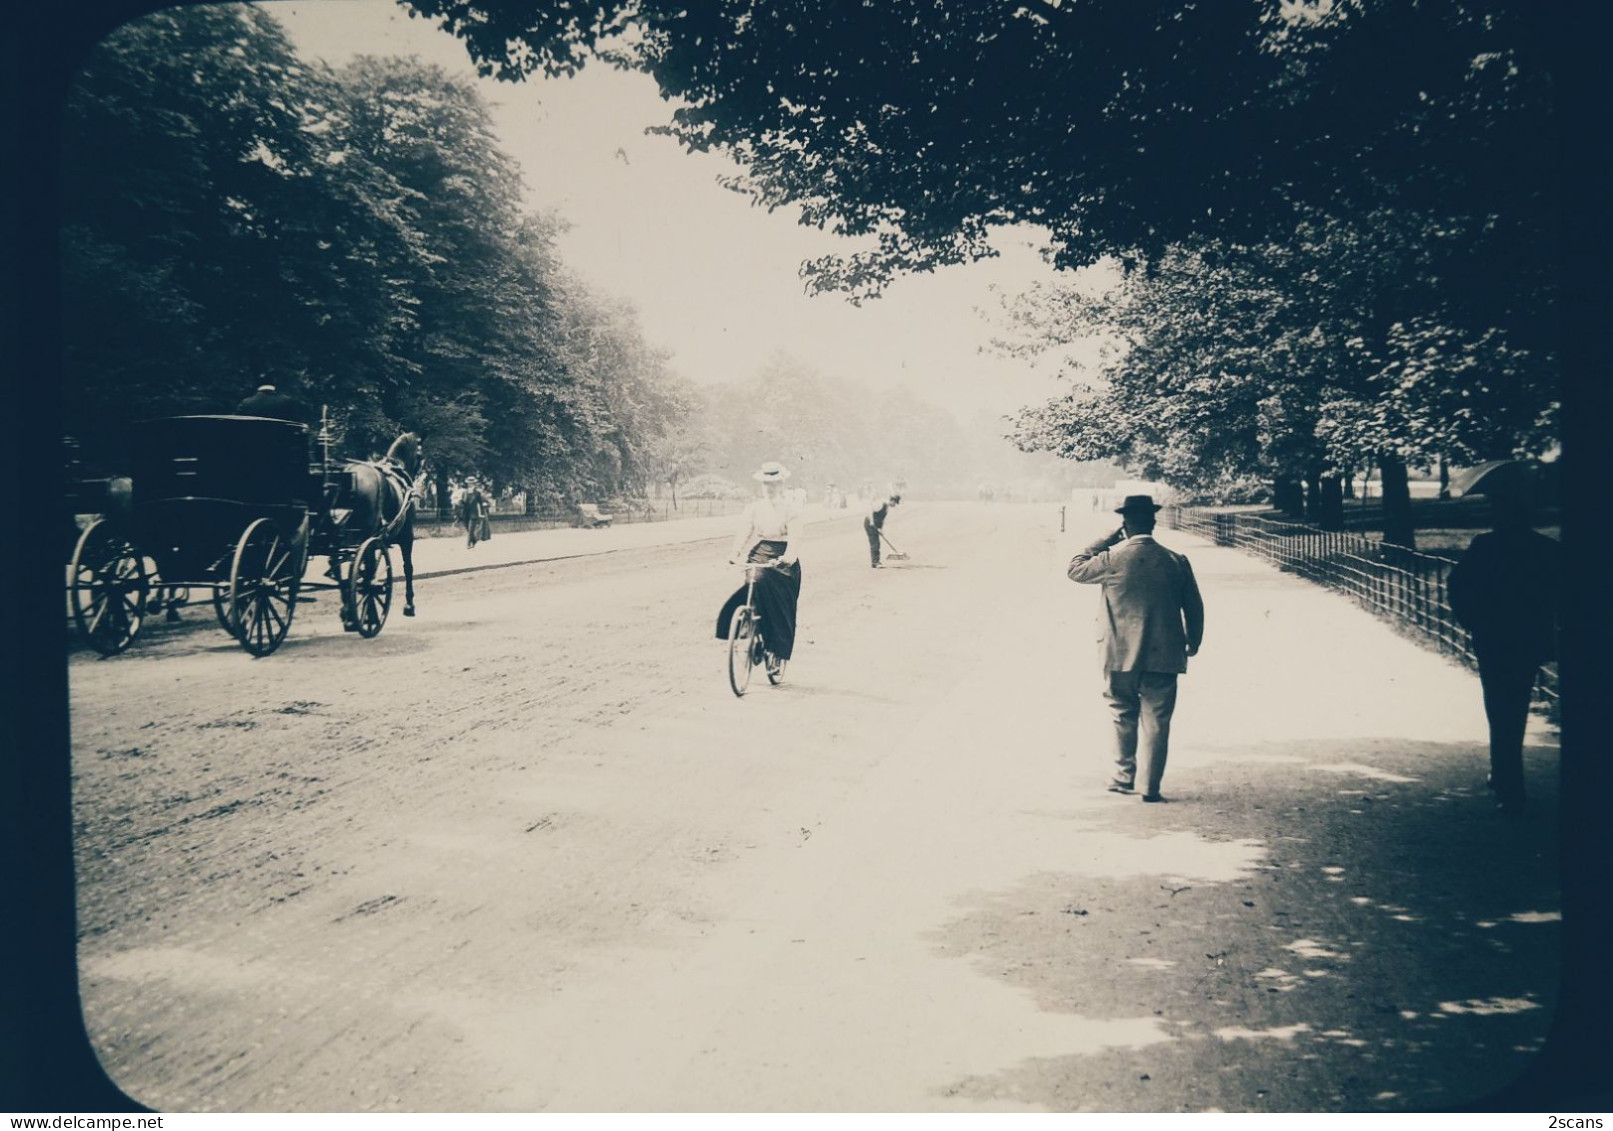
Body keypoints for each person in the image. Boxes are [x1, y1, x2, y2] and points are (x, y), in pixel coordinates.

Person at [1067, 494, 1205, 802]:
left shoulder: (1111, 559)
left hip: (1119, 655)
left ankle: (1123, 777)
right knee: (1157, 720)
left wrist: (1106, 540)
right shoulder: (1176, 561)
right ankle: (1151, 787)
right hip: (1165, 656)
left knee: (1121, 712)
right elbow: (1194, 608)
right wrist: (1192, 641)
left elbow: (1075, 568)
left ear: (1125, 525)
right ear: (1154, 523)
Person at [1446, 473, 1560, 815]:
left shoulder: (1485, 546)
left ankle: (1507, 779)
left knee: (1498, 706)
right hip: (1529, 638)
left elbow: (1457, 586)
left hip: (1493, 638)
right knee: (1518, 703)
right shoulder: (1549, 549)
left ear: (1502, 515)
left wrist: (1472, 621)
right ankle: (1508, 778)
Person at [715, 461, 804, 662]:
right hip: (761, 552)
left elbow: (796, 536)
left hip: (783, 557)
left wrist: (789, 556)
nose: (770, 488)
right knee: (754, 579)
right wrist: (734, 552)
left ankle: (776, 649)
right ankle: (749, 621)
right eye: (766, 484)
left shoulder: (791, 508)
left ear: (781, 485)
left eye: (773, 484)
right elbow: (744, 531)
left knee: (780, 604)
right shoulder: (754, 508)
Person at [234, 382, 313, 427]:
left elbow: (235, 424)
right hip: (280, 446)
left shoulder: (246, 403)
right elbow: (295, 423)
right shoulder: (287, 401)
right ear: (274, 388)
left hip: (251, 447)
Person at [864, 492, 899, 568]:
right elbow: (870, 509)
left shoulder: (886, 508)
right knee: (875, 542)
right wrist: (872, 521)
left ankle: (875, 562)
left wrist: (881, 529)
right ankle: (875, 562)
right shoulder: (881, 504)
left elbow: (882, 520)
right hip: (870, 523)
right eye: (895, 503)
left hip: (875, 525)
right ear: (892, 500)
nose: (894, 505)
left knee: (876, 543)